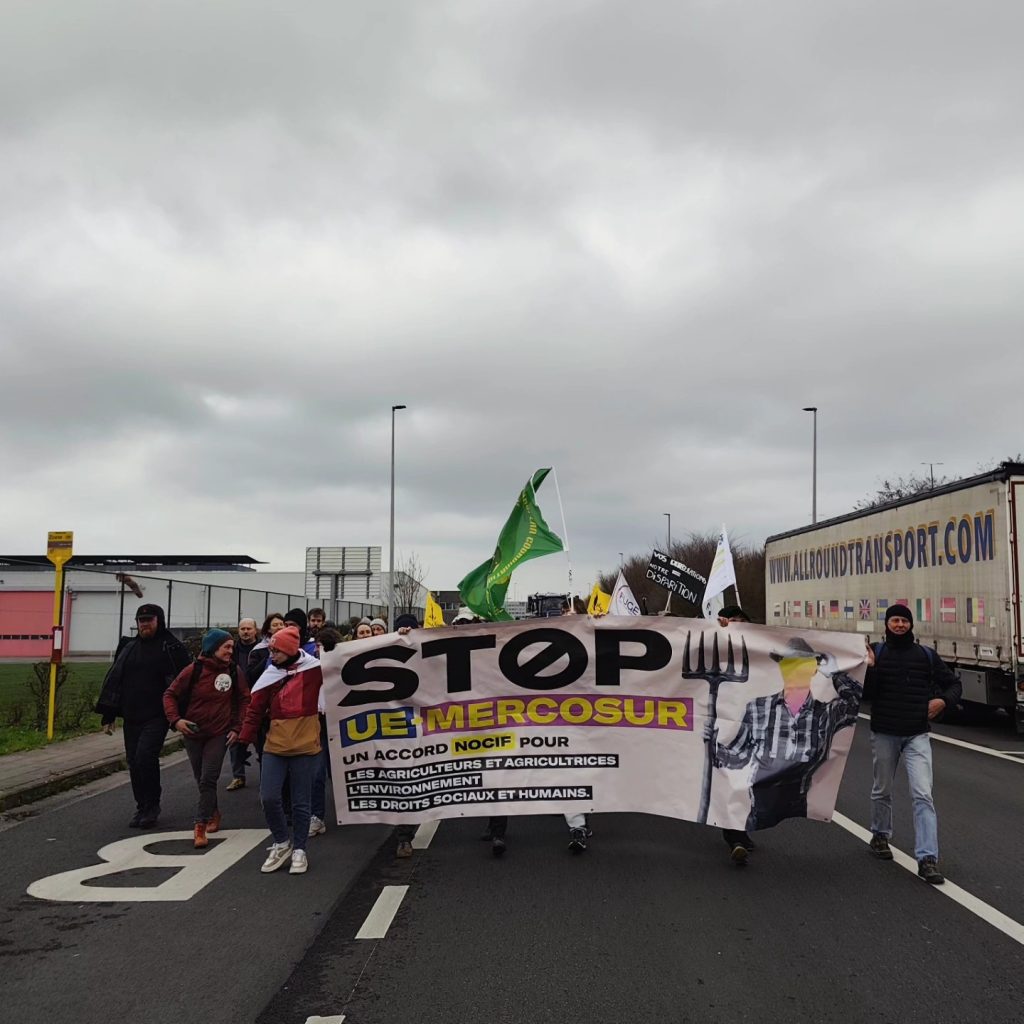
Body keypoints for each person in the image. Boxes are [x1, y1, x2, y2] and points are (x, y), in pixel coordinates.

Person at [714, 636, 861, 833]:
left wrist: (834, 673)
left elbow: (855, 701)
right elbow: (738, 755)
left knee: (806, 839)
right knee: (746, 825)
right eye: (789, 664)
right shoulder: (758, 708)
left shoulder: (825, 714)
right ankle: (736, 836)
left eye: (802, 664)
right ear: (782, 668)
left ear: (813, 669)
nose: (794, 669)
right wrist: (712, 746)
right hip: (760, 803)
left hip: (801, 803)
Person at [864, 604, 962, 885]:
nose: (899, 625)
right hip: (884, 732)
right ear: (887, 624)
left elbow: (954, 684)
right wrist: (870, 669)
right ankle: (880, 835)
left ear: (911, 624)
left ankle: (928, 858)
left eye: (904, 621)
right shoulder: (877, 653)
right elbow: (865, 694)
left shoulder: (926, 655)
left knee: (923, 794)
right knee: (882, 789)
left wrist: (943, 701)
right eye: (894, 620)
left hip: (917, 734)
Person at [96, 604, 191, 828]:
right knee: (134, 762)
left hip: (158, 715)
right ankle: (142, 806)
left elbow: (185, 682)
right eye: (141, 620)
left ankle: (152, 806)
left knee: (145, 757)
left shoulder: (171, 647)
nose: (145, 624)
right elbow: (115, 680)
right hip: (131, 715)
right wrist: (108, 713)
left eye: (149, 620)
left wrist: (181, 715)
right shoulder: (128, 647)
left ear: (159, 621)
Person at [238, 626, 323, 874]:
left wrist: (403, 636)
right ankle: (281, 842)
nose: (271, 655)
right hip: (275, 744)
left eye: (276, 651)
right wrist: (243, 740)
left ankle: (300, 849)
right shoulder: (270, 674)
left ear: (290, 650)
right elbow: (255, 710)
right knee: (269, 797)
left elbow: (348, 667)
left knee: (301, 802)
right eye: (271, 650)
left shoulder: (315, 670)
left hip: (306, 744)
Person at [163, 629, 250, 848]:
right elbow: (169, 695)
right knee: (201, 778)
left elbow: (244, 699)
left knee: (208, 778)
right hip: (193, 732)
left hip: (219, 733)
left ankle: (200, 825)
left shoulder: (234, 671)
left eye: (232, 647)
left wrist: (237, 727)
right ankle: (214, 812)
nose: (230, 651)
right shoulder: (194, 670)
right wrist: (176, 721)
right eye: (226, 647)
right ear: (213, 648)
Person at [715, 605, 757, 865]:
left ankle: (740, 831)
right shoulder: (715, 644)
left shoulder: (758, 646)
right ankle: (735, 836)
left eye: (740, 620)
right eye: (731, 621)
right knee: (731, 778)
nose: (736, 624)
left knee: (748, 782)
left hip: (752, 722)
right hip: (724, 723)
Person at [227, 618, 260, 790]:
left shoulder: (262, 648)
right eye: (242, 629)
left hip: (258, 698)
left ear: (255, 630)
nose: (245, 632)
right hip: (237, 699)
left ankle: (266, 776)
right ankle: (238, 776)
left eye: (249, 628)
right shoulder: (231, 650)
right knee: (235, 738)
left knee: (260, 740)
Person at [247, 611, 286, 686]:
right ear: (269, 629)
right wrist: (268, 658)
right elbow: (251, 676)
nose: (279, 627)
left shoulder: (291, 647)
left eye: (281, 624)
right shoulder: (259, 650)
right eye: (275, 625)